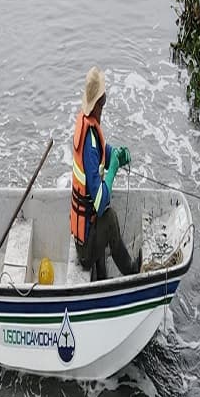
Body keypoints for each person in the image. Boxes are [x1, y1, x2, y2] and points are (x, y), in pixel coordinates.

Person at [70, 66, 141, 279]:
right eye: (104, 99)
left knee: (102, 218)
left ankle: (101, 274)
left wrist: (117, 155)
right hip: (85, 248)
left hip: (85, 231)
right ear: (99, 103)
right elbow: (100, 202)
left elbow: (104, 152)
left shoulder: (87, 126)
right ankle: (131, 271)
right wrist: (112, 172)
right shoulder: (90, 144)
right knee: (109, 217)